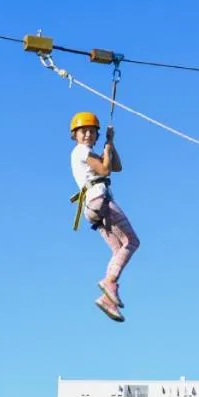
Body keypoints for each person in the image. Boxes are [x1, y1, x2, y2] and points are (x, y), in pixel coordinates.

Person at [69, 112, 140, 322]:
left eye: (92, 132)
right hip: (99, 200)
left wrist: (110, 143)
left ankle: (107, 298)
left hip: (92, 209)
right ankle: (109, 282)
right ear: (75, 135)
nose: (88, 135)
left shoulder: (85, 153)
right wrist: (107, 147)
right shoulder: (81, 150)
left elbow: (117, 166)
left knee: (119, 249)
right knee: (133, 241)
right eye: (84, 132)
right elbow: (106, 170)